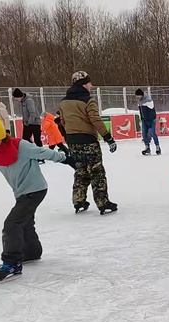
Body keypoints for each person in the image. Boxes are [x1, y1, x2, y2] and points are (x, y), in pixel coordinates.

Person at [0, 114, 75, 281]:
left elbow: (43, 152)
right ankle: (32, 252)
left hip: (36, 190)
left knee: (12, 224)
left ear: (0, 135)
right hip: (21, 193)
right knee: (24, 222)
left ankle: (12, 262)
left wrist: (66, 159)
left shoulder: (21, 146)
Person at [59, 71, 118, 215]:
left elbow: (62, 122)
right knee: (96, 172)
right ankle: (103, 203)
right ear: (84, 84)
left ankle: (78, 200)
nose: (91, 85)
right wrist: (108, 138)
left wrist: (68, 138)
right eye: (89, 82)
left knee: (80, 170)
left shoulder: (64, 102)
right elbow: (95, 120)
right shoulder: (88, 100)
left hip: (72, 141)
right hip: (88, 140)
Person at [135, 89, 161, 156]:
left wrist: (142, 103)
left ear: (141, 95)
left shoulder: (148, 99)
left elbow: (151, 106)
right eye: (136, 97)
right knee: (144, 134)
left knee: (152, 133)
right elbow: (141, 110)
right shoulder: (139, 101)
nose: (137, 98)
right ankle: (147, 148)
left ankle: (157, 147)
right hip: (144, 120)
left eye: (138, 96)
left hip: (151, 119)